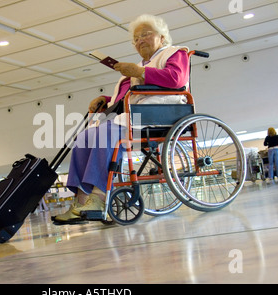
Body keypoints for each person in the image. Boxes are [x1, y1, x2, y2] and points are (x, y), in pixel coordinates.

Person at [53, 14, 190, 223]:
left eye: (146, 34)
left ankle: (98, 198)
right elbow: (124, 98)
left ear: (162, 38)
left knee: (106, 133)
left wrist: (140, 72)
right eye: (136, 38)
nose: (140, 40)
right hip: (132, 116)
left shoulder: (174, 53)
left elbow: (176, 79)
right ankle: (80, 201)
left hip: (159, 113)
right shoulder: (131, 71)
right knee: (84, 138)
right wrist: (105, 99)